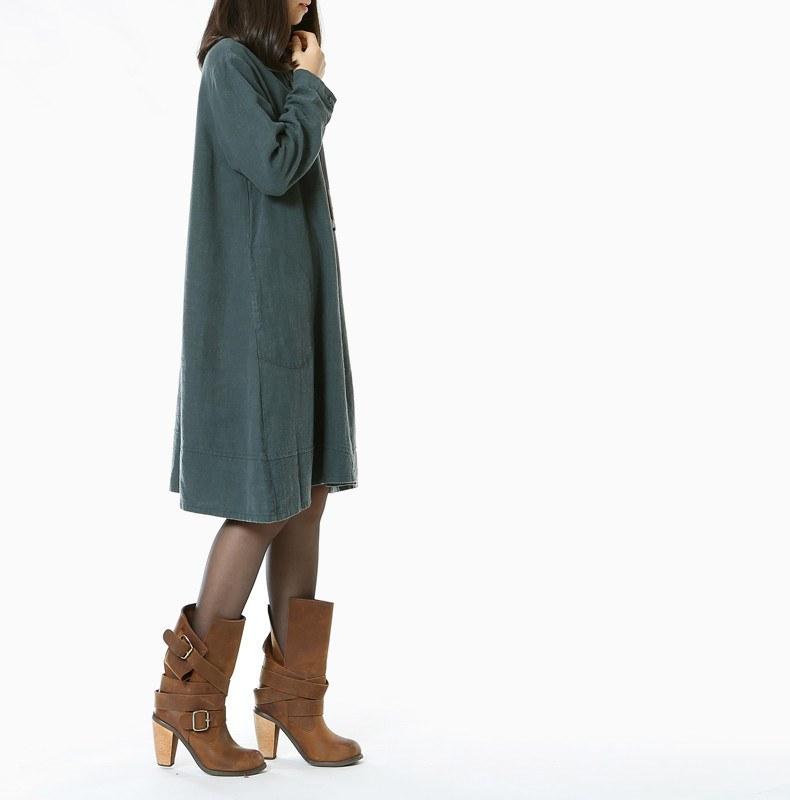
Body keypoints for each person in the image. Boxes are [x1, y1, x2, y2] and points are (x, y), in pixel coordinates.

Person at [151, 0, 362, 777]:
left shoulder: (277, 72)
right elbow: (274, 167)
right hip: (255, 322)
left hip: (302, 315)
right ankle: (189, 705)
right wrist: (310, 85)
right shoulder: (231, 68)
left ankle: (293, 704)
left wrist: (300, 81)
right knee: (264, 503)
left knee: (308, 494)